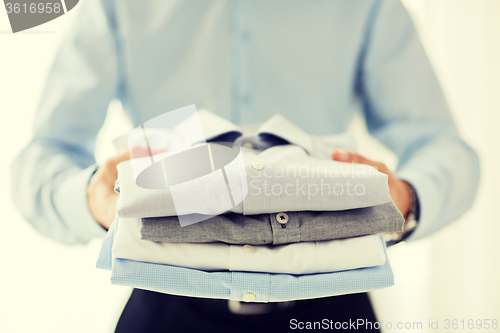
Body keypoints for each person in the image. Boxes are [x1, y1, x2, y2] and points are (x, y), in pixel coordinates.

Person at [11, 0, 479, 332]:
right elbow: (42, 154)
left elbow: (445, 148)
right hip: (165, 308)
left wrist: (405, 200)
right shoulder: (116, 4)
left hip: (328, 308)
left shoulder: (367, 5)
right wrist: (93, 195)